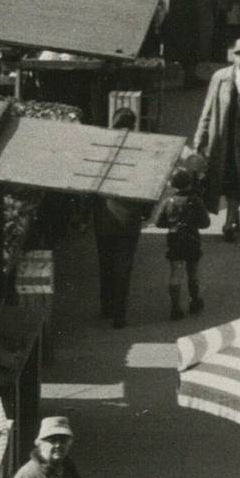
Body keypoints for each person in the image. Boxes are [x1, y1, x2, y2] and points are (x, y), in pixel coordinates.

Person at [94, 117, 147, 329]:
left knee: (105, 264)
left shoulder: (103, 151)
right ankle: (119, 315)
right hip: (129, 220)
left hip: (104, 219)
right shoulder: (139, 152)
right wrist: (146, 212)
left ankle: (106, 305)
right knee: (123, 268)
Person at [192, 38, 240, 240]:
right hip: (222, 141)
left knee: (239, 180)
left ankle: (230, 221)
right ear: (234, 57)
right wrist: (200, 139)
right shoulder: (220, 77)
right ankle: (233, 214)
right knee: (227, 179)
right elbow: (207, 110)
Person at [155, 165, 210, 319]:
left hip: (174, 239)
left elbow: (159, 222)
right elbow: (205, 223)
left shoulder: (169, 201)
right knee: (192, 271)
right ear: (189, 183)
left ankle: (175, 308)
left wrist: (173, 223)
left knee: (175, 272)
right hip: (192, 239)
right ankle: (194, 301)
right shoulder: (196, 200)